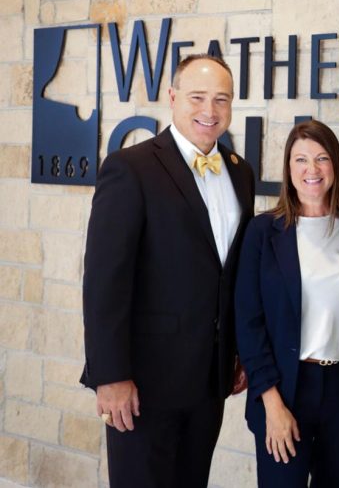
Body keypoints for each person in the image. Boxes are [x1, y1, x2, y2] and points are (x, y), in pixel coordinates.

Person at [81, 54, 255, 488]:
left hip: (209, 381)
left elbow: (231, 275)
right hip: (142, 383)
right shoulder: (130, 167)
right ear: (173, 98)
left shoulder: (241, 174)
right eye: (197, 97)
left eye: (221, 99)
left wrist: (238, 352)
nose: (209, 111)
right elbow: (105, 281)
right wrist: (111, 375)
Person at [235, 120, 339, 487]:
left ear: (336, 165)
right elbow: (248, 323)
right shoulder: (262, 232)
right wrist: (271, 402)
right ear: (288, 167)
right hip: (284, 389)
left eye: (321, 158)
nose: (311, 170)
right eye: (300, 159)